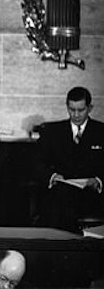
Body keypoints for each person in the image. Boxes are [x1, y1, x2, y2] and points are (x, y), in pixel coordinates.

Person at [36, 86, 104, 232]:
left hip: (92, 195)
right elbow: (38, 162)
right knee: (58, 200)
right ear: (67, 107)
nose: (76, 115)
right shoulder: (52, 132)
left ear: (90, 108)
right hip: (61, 194)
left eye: (81, 110)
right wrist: (52, 176)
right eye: (72, 110)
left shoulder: (101, 131)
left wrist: (98, 180)